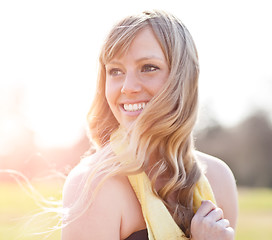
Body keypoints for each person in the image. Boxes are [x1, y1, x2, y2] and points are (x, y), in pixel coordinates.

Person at [61, 10, 238, 240]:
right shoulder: (94, 186)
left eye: (148, 67)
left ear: (182, 77)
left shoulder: (219, 178)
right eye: (115, 71)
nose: (128, 87)